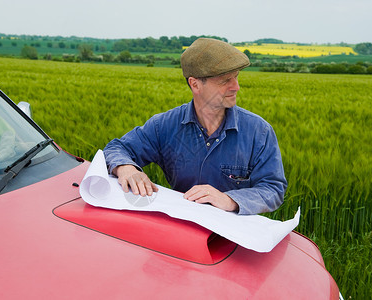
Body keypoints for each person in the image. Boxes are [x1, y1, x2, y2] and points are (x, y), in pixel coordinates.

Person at [103, 38, 287, 215]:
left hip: (233, 239)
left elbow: (273, 188)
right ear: (195, 84)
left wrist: (229, 200)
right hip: (182, 231)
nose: (236, 87)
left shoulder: (259, 131)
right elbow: (117, 148)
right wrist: (126, 167)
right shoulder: (164, 126)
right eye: (225, 81)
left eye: (236, 77)